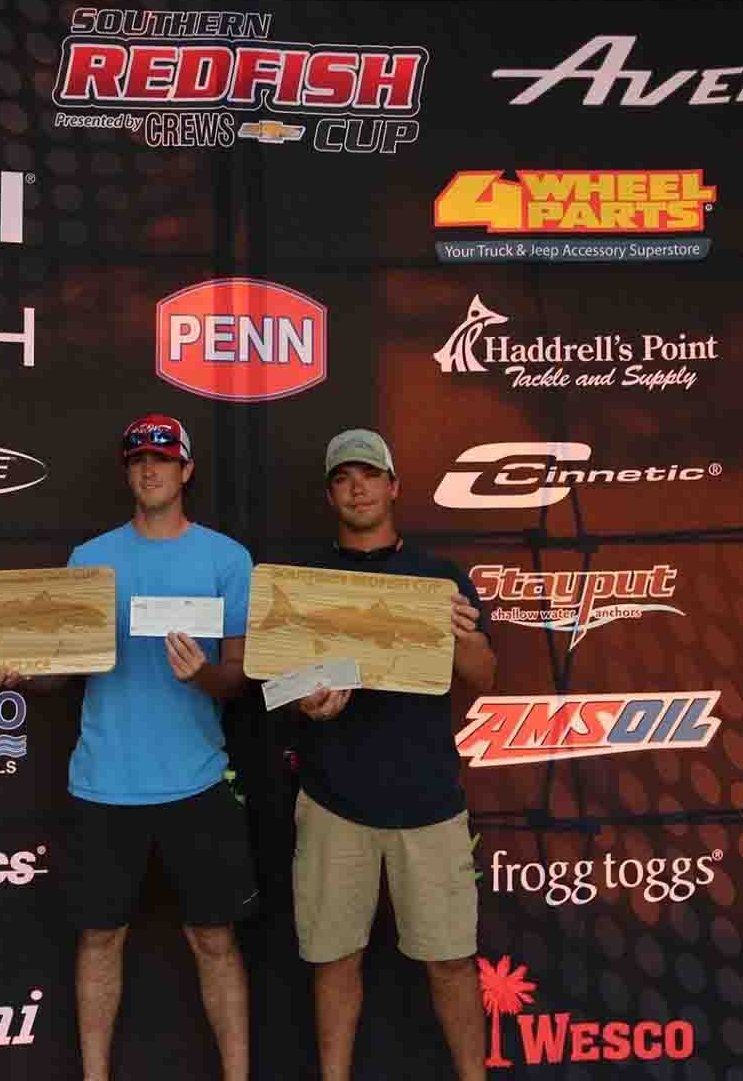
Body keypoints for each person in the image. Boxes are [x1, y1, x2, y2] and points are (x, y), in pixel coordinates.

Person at [0, 414, 257, 1081]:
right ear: (127, 472)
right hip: (105, 781)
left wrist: (205, 674)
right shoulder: (89, 558)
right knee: (100, 938)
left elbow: (243, 676)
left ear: (186, 470)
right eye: (137, 460)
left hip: (195, 779)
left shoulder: (227, 559)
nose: (150, 470)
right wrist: (18, 669)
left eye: (163, 458)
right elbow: (61, 672)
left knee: (215, 940)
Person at [293, 429, 495, 1081]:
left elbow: (484, 675)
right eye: (345, 477)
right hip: (334, 800)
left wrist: (464, 641)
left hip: (430, 801)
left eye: (370, 474)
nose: (358, 487)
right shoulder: (307, 584)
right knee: (335, 959)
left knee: (452, 961)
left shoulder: (440, 579)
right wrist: (309, 699)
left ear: (393, 485)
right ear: (331, 493)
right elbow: (286, 681)